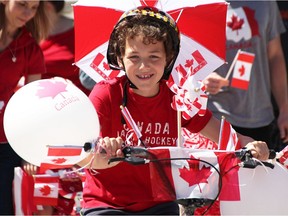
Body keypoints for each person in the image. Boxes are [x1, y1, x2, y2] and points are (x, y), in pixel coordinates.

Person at [78, 6, 270, 215]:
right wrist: (105, 152)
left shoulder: (179, 97)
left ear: (169, 58)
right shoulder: (105, 94)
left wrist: (252, 144)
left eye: (154, 56)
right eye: (134, 57)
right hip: (107, 205)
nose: (144, 67)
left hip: (160, 203)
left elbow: (227, 136)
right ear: (119, 57)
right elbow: (84, 157)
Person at [203, 1, 288, 151]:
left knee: (259, 173)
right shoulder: (198, 4)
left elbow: (275, 56)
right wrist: (202, 79)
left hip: (260, 117)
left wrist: (284, 108)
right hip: (215, 117)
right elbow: (183, 56)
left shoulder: (266, 3)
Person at [0, 0, 50, 215]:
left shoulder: (30, 48)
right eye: (22, 4)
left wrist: (30, 152)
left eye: (34, 7)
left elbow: (33, 105)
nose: (28, 13)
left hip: (6, 141)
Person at [40, 0, 91, 96]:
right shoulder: (22, 33)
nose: (27, 12)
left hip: (77, 102)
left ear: (48, 7)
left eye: (33, 7)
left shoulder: (81, 33)